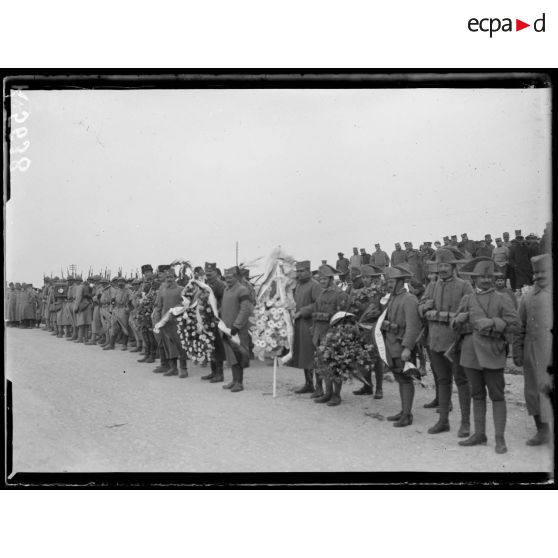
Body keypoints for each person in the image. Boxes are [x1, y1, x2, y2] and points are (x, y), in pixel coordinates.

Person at [451, 257, 520, 454]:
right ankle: (479, 434)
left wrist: (492, 323)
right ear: (474, 279)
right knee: (477, 394)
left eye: (489, 276)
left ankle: (500, 439)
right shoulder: (467, 299)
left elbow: (515, 325)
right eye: (482, 277)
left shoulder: (503, 298)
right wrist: (458, 319)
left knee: (497, 396)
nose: (486, 280)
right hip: (470, 355)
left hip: (493, 353)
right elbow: (453, 324)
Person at [419, 248, 473, 437]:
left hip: (455, 342)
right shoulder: (432, 285)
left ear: (453, 267)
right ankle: (443, 421)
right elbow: (421, 305)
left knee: (462, 381)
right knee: (442, 381)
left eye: (445, 265)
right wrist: (424, 307)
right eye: (439, 265)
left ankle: (465, 423)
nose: (442, 269)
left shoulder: (464, 286)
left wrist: (452, 318)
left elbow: (471, 311)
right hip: (434, 341)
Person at [513, 254, 553, 446]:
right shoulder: (527, 297)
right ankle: (542, 431)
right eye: (535, 273)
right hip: (532, 354)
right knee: (533, 393)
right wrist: (518, 351)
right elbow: (519, 327)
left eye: (543, 271)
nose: (538, 276)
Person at [380, 265, 421, 427]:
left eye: (391, 281)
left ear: (400, 281)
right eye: (388, 281)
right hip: (391, 345)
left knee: (405, 380)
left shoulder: (409, 299)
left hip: (402, 346)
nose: (389, 284)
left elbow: (413, 326)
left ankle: (407, 414)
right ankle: (404, 410)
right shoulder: (392, 298)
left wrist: (408, 348)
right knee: (399, 378)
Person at [311, 265, 348, 404]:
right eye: (320, 279)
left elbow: (343, 316)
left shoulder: (339, 294)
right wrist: (314, 332)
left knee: (336, 365)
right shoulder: (320, 294)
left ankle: (336, 395)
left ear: (331, 279)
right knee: (323, 364)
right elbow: (315, 314)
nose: (322, 281)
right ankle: (327, 392)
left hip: (333, 334)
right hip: (320, 334)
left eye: (324, 279)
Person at [350, 264, 385, 399]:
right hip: (361, 327)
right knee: (362, 358)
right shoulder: (359, 292)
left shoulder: (378, 292)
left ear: (373, 278)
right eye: (363, 277)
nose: (365, 280)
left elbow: (381, 310)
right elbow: (357, 309)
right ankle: (367, 385)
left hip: (374, 328)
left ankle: (379, 388)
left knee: (376, 359)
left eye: (367, 277)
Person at [288, 260, 323, 393]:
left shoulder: (315, 285)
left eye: (302, 271)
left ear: (309, 271)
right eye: (298, 271)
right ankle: (309, 383)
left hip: (311, 324)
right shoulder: (298, 285)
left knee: (313, 355)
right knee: (304, 354)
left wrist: (302, 312)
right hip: (299, 324)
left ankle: (319, 386)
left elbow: (318, 304)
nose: (299, 274)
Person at [220, 266, 254, 392]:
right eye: (226, 277)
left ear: (236, 276)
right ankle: (234, 380)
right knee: (231, 355)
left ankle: (239, 382)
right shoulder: (226, 290)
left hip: (237, 330)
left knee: (239, 355)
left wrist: (237, 325)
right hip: (226, 328)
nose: (227, 280)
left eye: (230, 277)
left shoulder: (242, 290)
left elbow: (245, 309)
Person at [153, 270, 188, 377]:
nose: (169, 279)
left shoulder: (181, 289)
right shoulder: (163, 291)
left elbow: (186, 303)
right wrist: (158, 320)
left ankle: (183, 369)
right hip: (165, 322)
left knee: (180, 345)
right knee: (168, 344)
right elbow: (159, 306)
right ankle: (173, 368)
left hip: (178, 321)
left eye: (171, 277)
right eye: (167, 277)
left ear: (175, 278)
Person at [202, 262, 227, 383]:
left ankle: (220, 373)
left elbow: (224, 302)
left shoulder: (220, 285)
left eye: (210, 273)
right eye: (206, 273)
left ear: (216, 273)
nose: (208, 275)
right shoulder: (206, 284)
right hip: (207, 319)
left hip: (216, 320)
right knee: (209, 345)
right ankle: (213, 371)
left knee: (217, 346)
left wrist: (216, 315)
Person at [103, 276, 132, 351]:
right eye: (119, 281)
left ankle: (124, 344)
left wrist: (128, 308)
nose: (120, 283)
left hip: (124, 309)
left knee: (124, 327)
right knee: (114, 326)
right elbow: (113, 300)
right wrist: (111, 309)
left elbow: (130, 301)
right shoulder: (116, 290)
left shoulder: (128, 291)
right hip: (116, 309)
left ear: (125, 282)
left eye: (122, 281)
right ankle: (111, 345)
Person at [73, 278, 93, 342]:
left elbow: (78, 298)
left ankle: (80, 338)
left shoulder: (80, 287)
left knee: (81, 323)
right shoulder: (89, 287)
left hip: (81, 306)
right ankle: (86, 338)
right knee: (87, 323)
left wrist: (75, 308)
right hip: (88, 305)